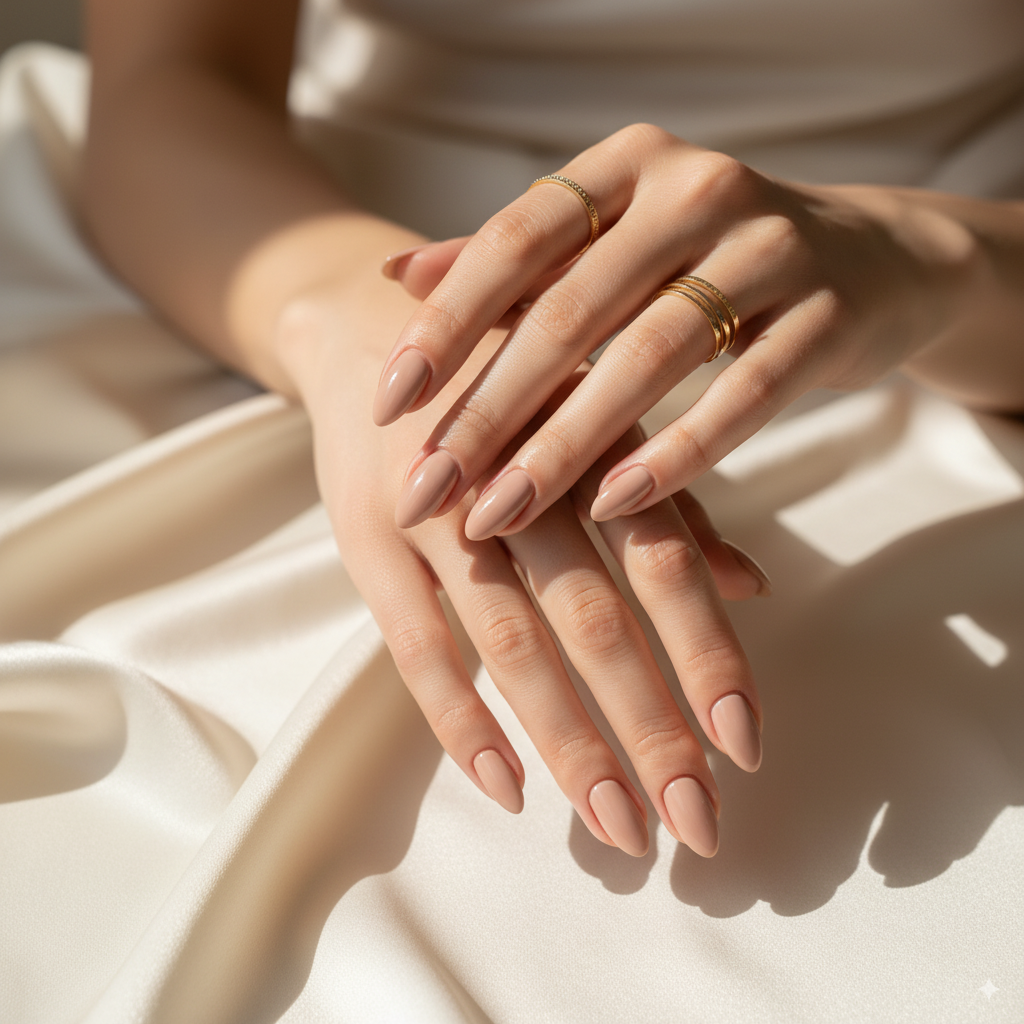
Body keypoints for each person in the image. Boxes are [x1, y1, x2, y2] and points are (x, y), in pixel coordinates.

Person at [80, 0, 1024, 866]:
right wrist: (369, 327)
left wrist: (939, 257)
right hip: (303, 232)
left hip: (925, 322)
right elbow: (170, 79)